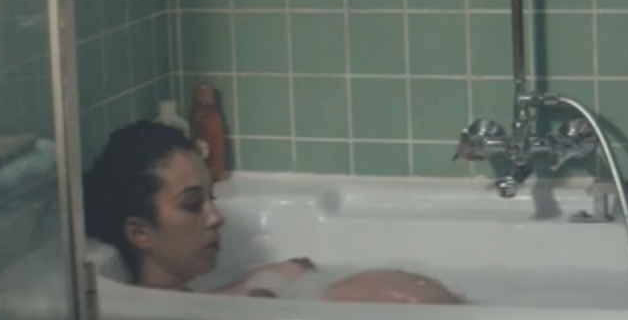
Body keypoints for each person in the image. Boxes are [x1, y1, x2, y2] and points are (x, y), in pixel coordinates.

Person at [83, 120, 467, 305]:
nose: (216, 218)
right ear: (140, 233)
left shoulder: (194, 302)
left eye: (211, 198)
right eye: (192, 205)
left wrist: (258, 280)